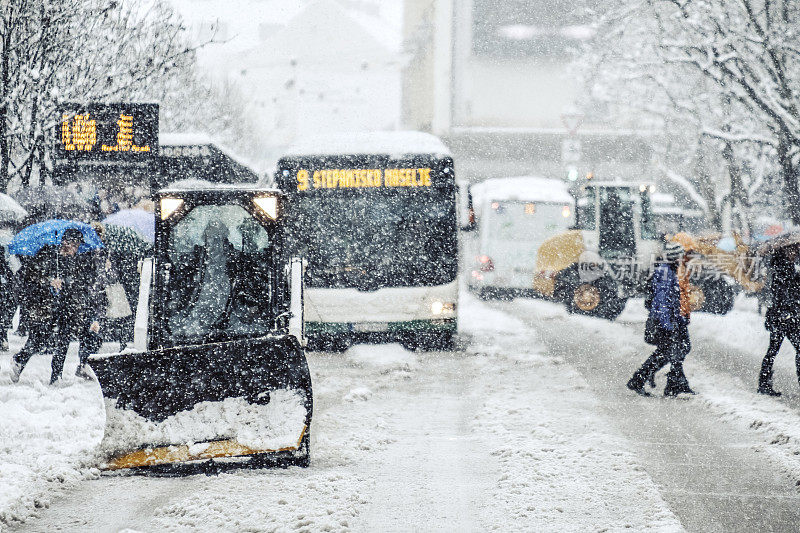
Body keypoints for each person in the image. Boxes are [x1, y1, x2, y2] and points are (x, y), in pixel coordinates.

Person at [9, 228, 103, 385]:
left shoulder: (74, 261)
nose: (76, 249)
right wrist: (49, 281)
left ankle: (56, 376)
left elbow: (78, 285)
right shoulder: (47, 255)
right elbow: (30, 277)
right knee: (40, 338)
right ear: (66, 242)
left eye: (78, 245)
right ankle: (19, 359)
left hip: (65, 306)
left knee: (63, 340)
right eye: (75, 245)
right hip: (44, 306)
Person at [627, 241, 695, 397]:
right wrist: (667, 324)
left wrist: (678, 319)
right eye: (680, 256)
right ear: (675, 257)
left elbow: (671, 299)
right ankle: (646, 380)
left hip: (671, 320)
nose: (682, 258)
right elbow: (662, 300)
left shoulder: (670, 270)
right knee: (668, 352)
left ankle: (661, 382)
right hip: (665, 322)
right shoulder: (665, 272)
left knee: (670, 351)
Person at [757, 244, 800, 396]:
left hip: (789, 317)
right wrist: (788, 309)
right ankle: (763, 384)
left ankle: (763, 384)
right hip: (781, 318)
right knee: (773, 350)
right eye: (792, 250)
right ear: (785, 250)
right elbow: (780, 294)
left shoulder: (790, 268)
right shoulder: (781, 269)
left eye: (796, 250)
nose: (795, 252)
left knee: (779, 350)